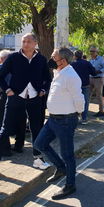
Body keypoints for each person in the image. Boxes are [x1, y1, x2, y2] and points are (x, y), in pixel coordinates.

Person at [34, 47, 84, 200]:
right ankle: (61, 168)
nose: (51, 59)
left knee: (67, 154)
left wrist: (75, 114)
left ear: (62, 61)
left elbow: (80, 99)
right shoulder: (58, 72)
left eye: (53, 56)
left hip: (65, 121)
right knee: (39, 144)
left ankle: (70, 185)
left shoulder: (71, 76)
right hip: (53, 119)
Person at [0, 33, 51, 169]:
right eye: (23, 41)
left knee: (37, 130)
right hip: (15, 97)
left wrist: (43, 90)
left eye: (28, 41)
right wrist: (7, 90)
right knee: (5, 129)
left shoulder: (41, 59)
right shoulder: (13, 58)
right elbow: (1, 76)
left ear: (35, 43)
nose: (25, 44)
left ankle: (38, 159)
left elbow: (48, 78)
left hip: (35, 99)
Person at [71, 50, 96, 124]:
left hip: (75, 85)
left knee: (74, 101)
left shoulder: (72, 64)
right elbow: (93, 73)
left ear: (75, 56)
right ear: (82, 56)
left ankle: (75, 118)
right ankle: (84, 118)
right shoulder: (87, 63)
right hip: (85, 84)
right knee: (85, 102)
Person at [89, 46, 104, 117]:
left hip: (99, 78)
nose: (91, 53)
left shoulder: (101, 59)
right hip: (91, 78)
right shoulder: (90, 60)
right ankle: (85, 110)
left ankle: (101, 111)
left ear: (97, 52)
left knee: (99, 95)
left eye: (93, 51)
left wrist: (99, 71)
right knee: (88, 94)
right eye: (90, 51)